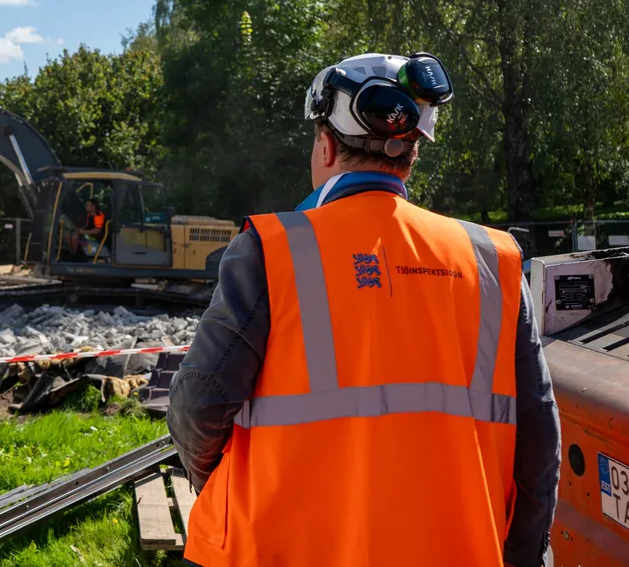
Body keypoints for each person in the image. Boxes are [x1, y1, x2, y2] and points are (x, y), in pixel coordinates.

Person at [167, 53, 561, 567]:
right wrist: (523, 556)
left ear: (326, 145)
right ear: (410, 154)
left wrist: (217, 484)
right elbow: (538, 440)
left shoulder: (271, 249)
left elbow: (199, 406)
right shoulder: (493, 260)